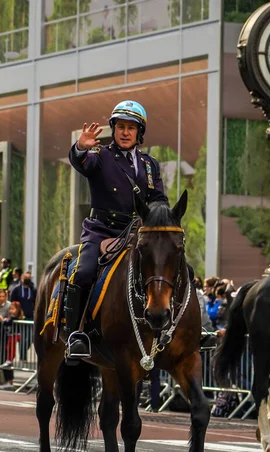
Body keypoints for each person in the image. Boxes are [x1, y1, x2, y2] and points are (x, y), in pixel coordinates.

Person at [66, 100, 169, 360]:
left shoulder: (150, 165)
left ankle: (180, 330)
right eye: (120, 127)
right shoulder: (100, 155)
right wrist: (80, 148)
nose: (125, 132)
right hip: (101, 229)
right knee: (84, 271)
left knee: (173, 267)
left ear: (139, 132)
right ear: (113, 129)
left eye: (131, 128)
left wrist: (165, 218)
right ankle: (75, 336)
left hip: (136, 233)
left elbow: (158, 198)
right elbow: (82, 164)